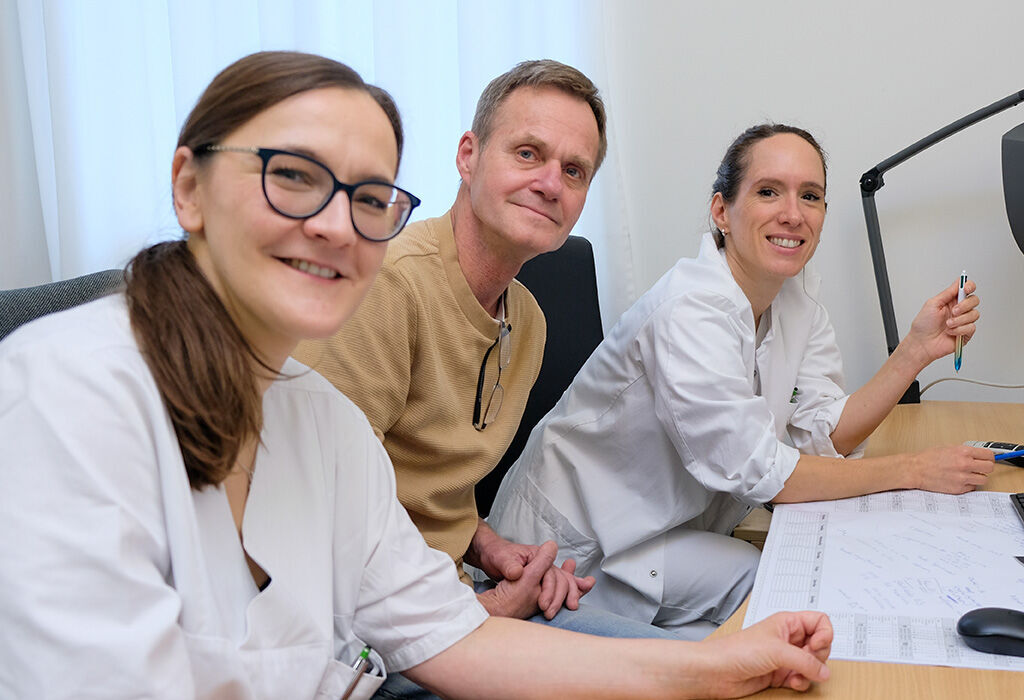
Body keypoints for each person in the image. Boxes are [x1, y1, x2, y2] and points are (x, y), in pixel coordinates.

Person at [0, 52, 834, 699]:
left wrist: (723, 667)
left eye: (368, 198)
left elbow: (449, 637)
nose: (334, 225)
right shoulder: (65, 389)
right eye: (292, 177)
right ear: (191, 187)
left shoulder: (321, 420)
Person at [488, 123, 993, 638]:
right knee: (784, 600)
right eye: (768, 191)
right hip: (578, 551)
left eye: (811, 196)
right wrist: (913, 469)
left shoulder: (795, 298)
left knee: (796, 604)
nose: (793, 214)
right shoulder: (691, 310)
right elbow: (762, 473)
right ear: (721, 212)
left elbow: (820, 434)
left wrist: (913, 352)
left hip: (660, 535)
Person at [294, 61, 681, 642]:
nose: (551, 183)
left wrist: (491, 548)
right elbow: (322, 520)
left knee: (700, 651)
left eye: (573, 171)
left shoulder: (526, 322)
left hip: (453, 593)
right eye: (528, 153)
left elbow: (425, 486)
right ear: (468, 155)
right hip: (372, 627)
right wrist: (482, 612)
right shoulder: (385, 288)